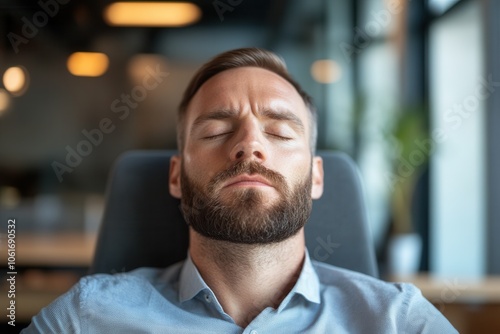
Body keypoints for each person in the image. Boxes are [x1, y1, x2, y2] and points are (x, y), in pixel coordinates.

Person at [23, 48, 457, 333]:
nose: (249, 144)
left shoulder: (397, 319)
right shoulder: (85, 318)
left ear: (318, 176)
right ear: (176, 176)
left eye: (281, 132)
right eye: (215, 130)